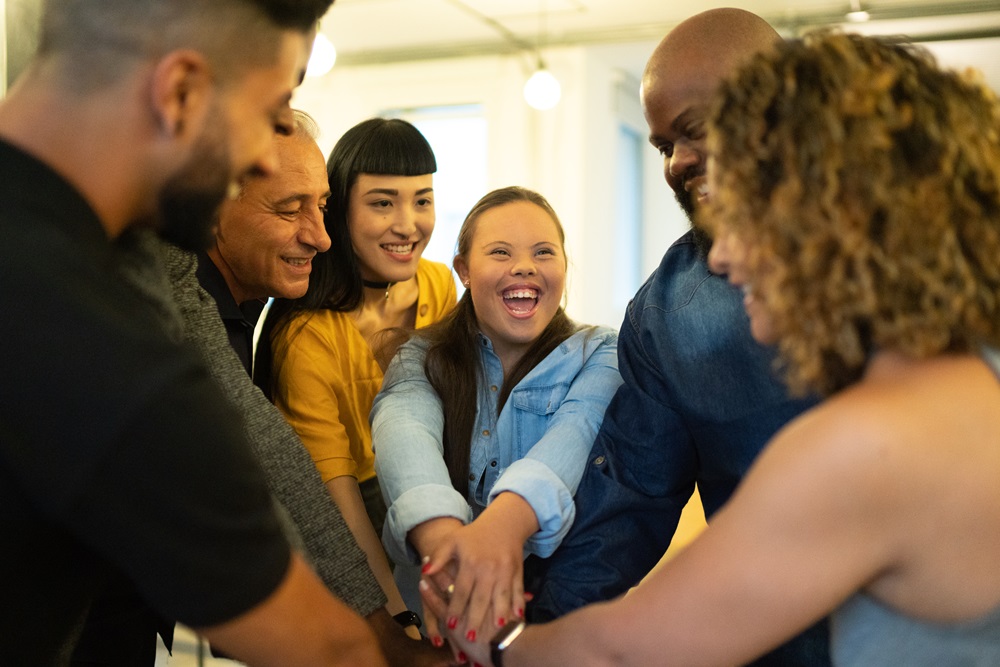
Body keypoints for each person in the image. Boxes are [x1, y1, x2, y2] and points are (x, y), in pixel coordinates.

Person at [444, 30, 1000, 667]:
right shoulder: (966, 387)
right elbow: (631, 496)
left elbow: (621, 651)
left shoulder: (865, 446)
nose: (725, 256)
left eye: (752, 217)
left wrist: (490, 641)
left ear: (841, 217)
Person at [0, 0, 387, 664]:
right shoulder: (105, 345)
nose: (268, 157)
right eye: (269, 115)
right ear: (179, 91)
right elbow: (331, 651)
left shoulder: (114, 278)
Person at [74, 111, 449, 665]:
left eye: (320, 207)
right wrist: (374, 629)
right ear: (210, 209)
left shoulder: (252, 303)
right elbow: (266, 474)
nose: (320, 237)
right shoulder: (184, 300)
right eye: (288, 208)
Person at [529, 8, 829, 664]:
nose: (677, 164)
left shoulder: (918, 269)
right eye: (664, 145)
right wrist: (536, 631)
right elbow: (629, 495)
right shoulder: (668, 308)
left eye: (693, 133)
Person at [372, 186, 622, 659]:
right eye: (500, 252)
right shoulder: (419, 357)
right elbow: (403, 434)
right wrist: (445, 547)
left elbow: (576, 430)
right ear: (463, 269)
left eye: (543, 252)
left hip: (556, 632)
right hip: (431, 632)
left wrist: (503, 528)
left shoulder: (602, 352)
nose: (525, 266)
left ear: (564, 267)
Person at [255, 116, 457, 626]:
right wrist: (394, 621)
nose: (409, 224)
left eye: (423, 200)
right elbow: (336, 500)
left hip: (432, 502)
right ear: (339, 208)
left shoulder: (439, 286)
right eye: (383, 202)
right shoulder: (305, 336)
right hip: (343, 534)